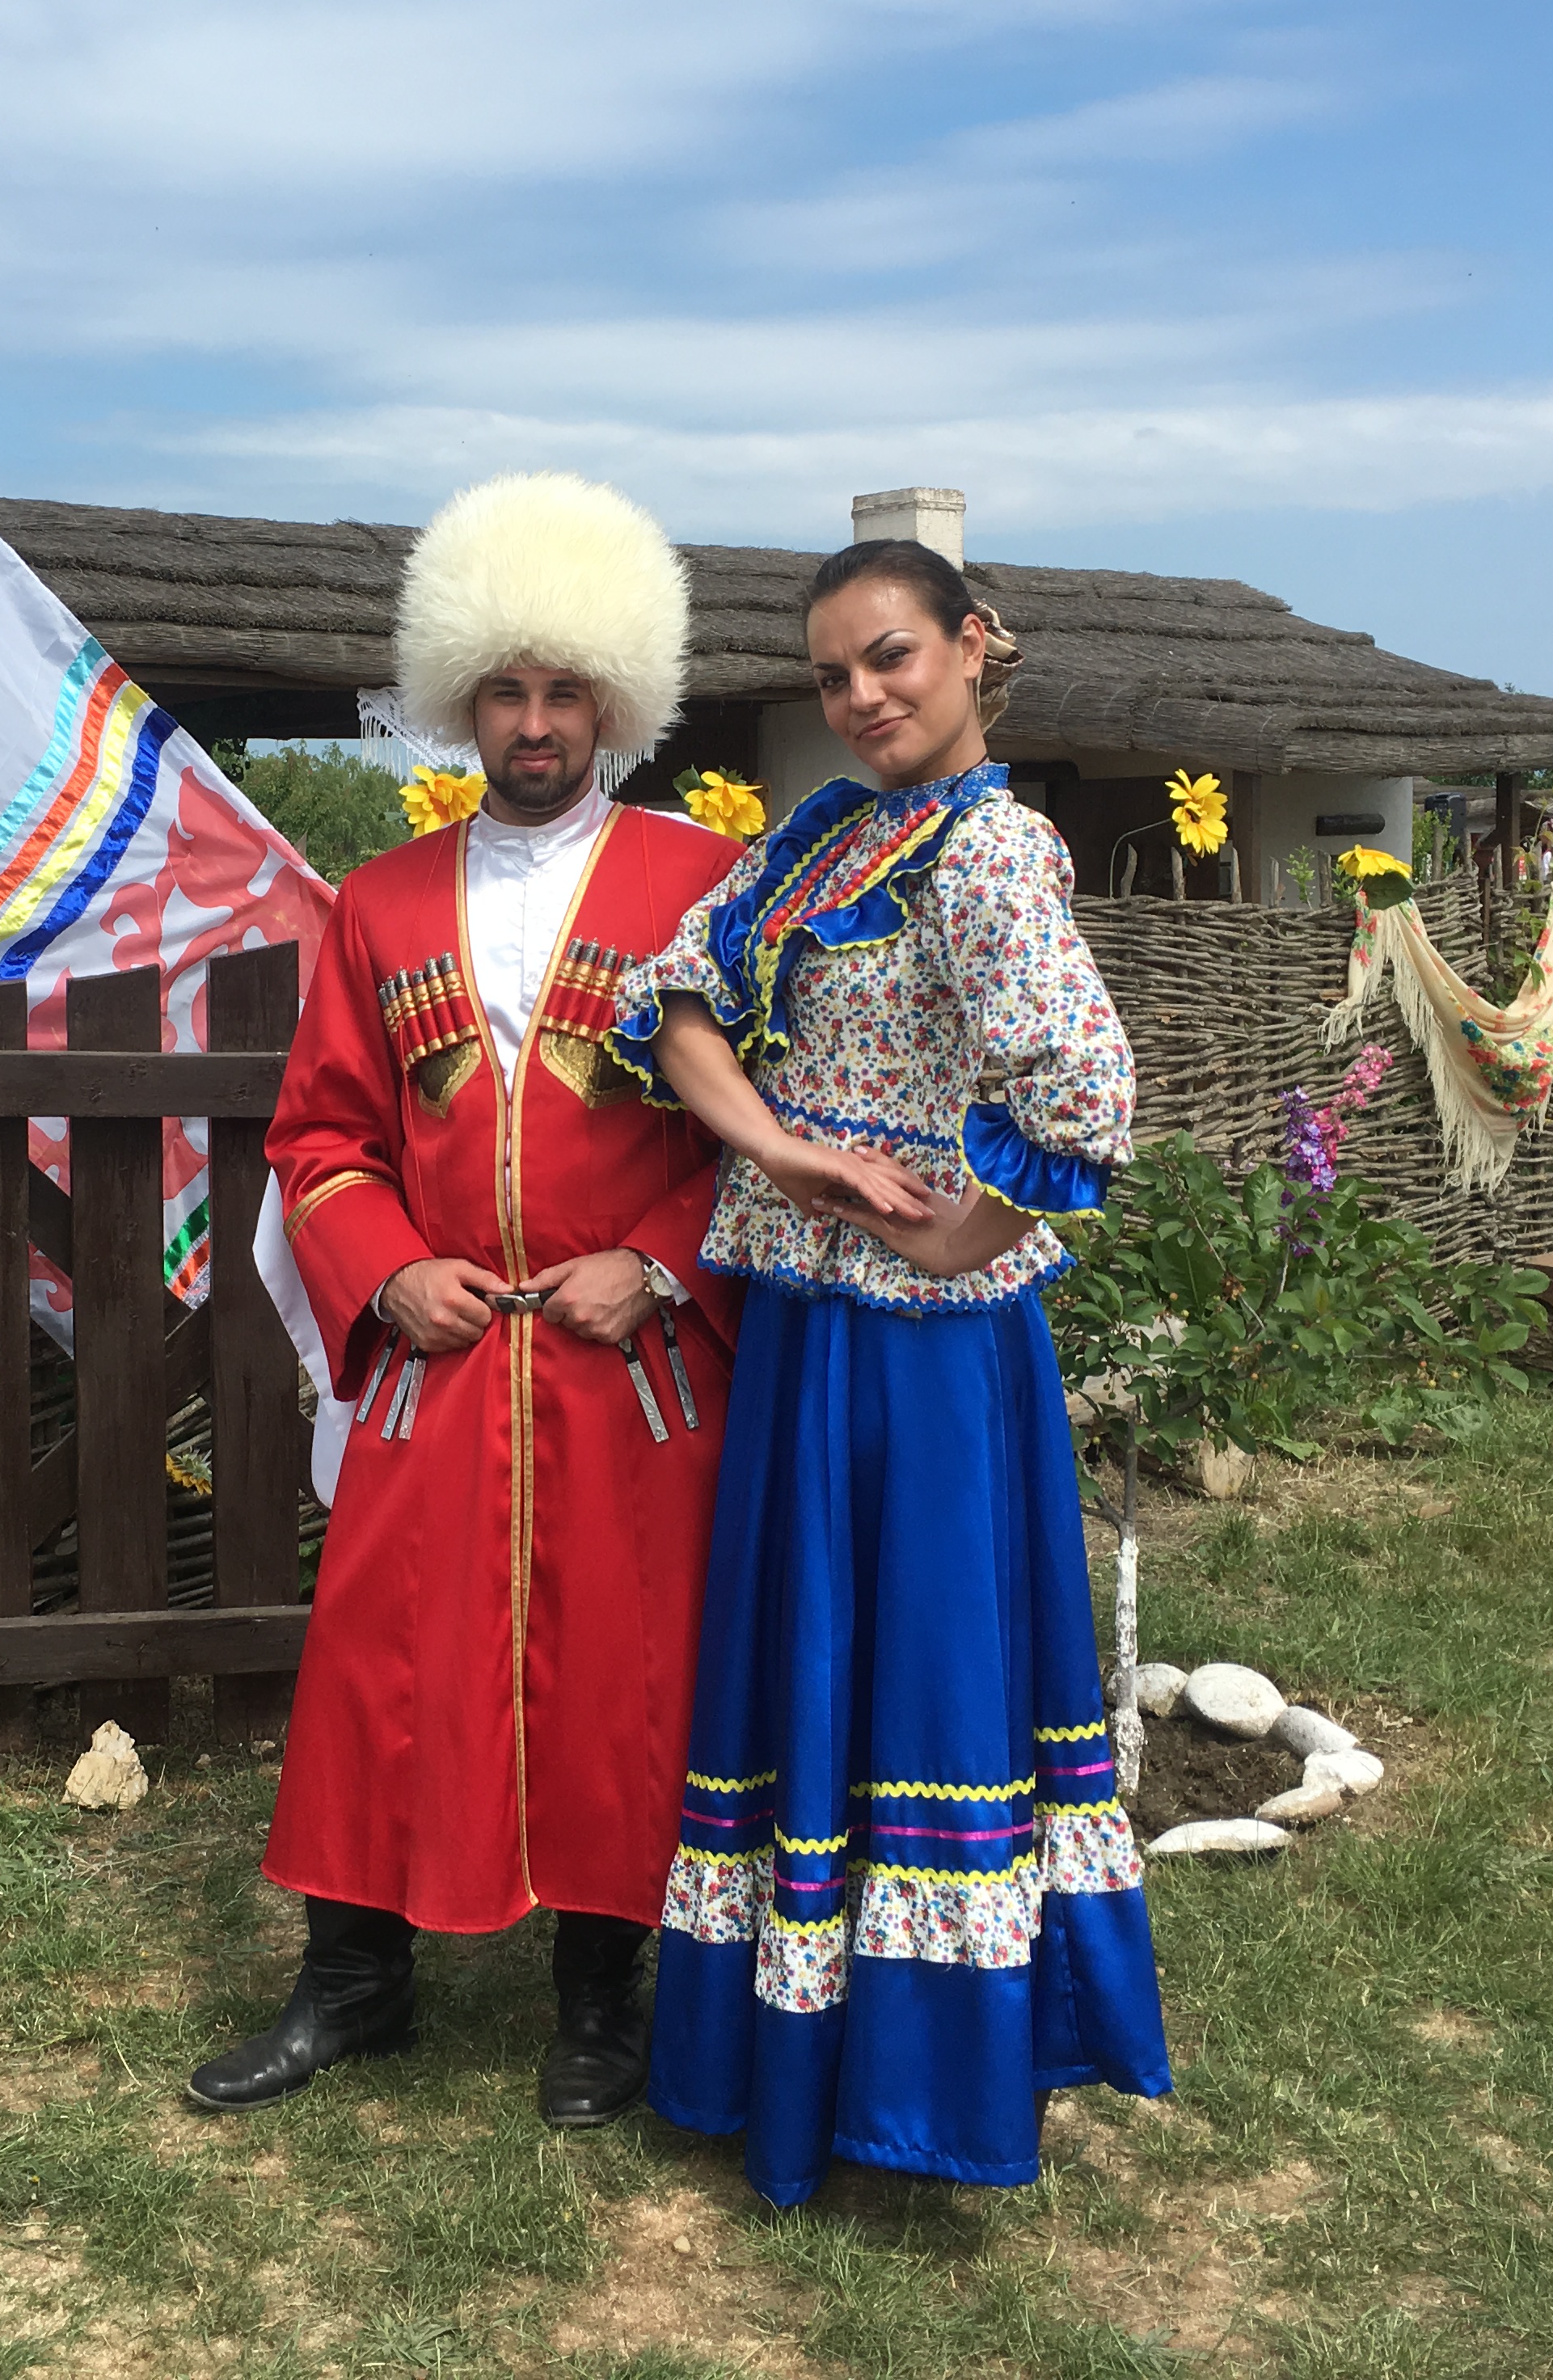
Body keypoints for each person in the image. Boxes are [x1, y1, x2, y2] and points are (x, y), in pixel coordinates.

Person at [606, 537, 1172, 2207]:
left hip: (924, 1353)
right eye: (833, 673)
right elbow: (671, 1001)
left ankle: (915, 2085)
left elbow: (1084, 1100)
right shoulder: (826, 836)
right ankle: (808, 2059)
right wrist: (786, 1153)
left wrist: (955, 1239)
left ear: (974, 645)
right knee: (814, 1653)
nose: (859, 696)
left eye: (891, 658)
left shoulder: (987, 850)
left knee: (913, 1669)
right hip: (804, 1321)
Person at [188, 474, 748, 2128]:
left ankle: (600, 2003)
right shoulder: (380, 902)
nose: (535, 720)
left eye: (564, 687)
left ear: (615, 697)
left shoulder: (707, 884)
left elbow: (764, 1128)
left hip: (628, 1362)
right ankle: (353, 1981)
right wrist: (390, 1269)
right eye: (504, 689)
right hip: (435, 1357)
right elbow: (321, 1138)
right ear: (459, 698)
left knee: (618, 1674)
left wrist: (656, 1264)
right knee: (379, 1658)